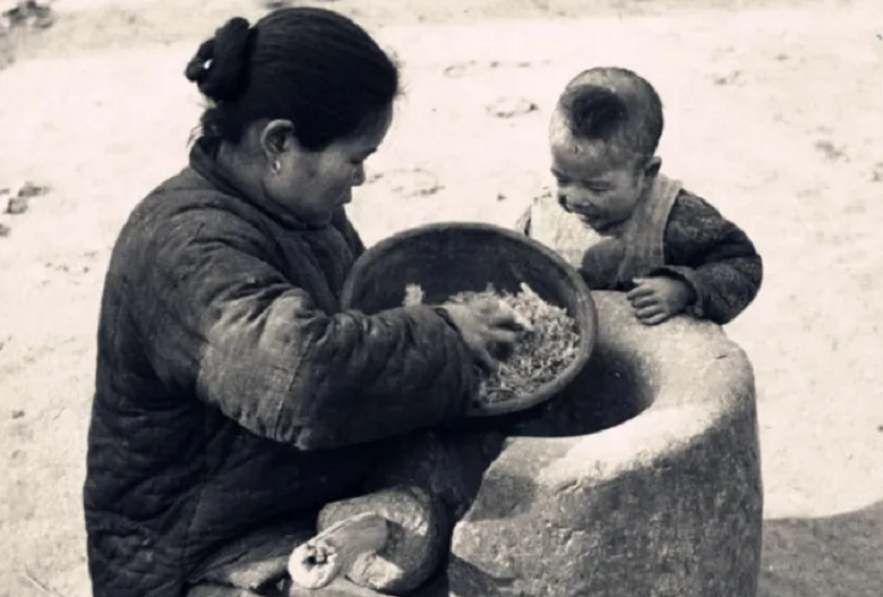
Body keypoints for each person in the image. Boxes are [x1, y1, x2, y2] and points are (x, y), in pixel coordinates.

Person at [83, 8, 526, 597]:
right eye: (356, 158)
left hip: (291, 495)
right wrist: (444, 334)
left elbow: (357, 324)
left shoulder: (296, 209)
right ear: (279, 142)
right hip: (201, 551)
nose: (362, 179)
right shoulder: (186, 244)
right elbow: (304, 380)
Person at [516, 67, 763, 326]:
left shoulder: (676, 216)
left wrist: (685, 289)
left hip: (650, 350)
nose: (575, 198)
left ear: (646, 174)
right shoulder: (541, 216)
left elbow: (743, 265)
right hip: (567, 347)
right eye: (562, 179)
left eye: (597, 188)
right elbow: (508, 265)